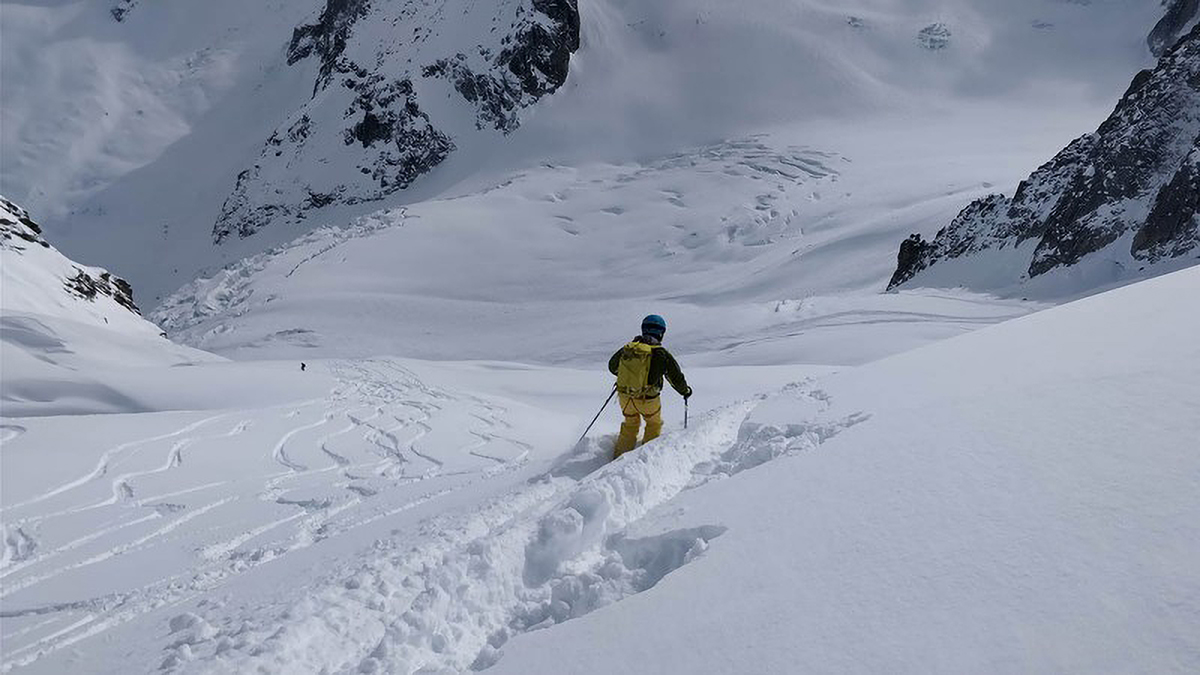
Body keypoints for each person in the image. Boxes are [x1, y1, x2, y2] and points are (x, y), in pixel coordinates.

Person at [608, 314, 691, 459]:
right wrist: (685, 391)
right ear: (661, 332)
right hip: (648, 399)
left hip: (625, 396)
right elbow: (675, 377)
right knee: (653, 424)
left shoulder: (629, 348)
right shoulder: (660, 353)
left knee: (630, 425)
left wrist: (630, 377)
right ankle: (644, 460)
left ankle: (618, 459)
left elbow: (612, 366)